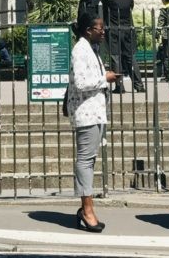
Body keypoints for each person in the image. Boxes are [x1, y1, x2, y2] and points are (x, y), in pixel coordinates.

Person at [67, 12, 119, 232]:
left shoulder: (90, 49)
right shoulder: (80, 49)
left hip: (95, 112)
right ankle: (87, 210)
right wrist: (104, 78)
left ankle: (86, 208)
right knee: (85, 161)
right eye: (100, 28)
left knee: (90, 160)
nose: (103, 31)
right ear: (89, 30)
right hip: (86, 113)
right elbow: (79, 82)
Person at [102, 0, 144, 93]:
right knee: (131, 57)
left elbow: (104, 12)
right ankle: (139, 85)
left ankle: (119, 86)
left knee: (115, 57)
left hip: (114, 30)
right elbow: (130, 8)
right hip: (128, 29)